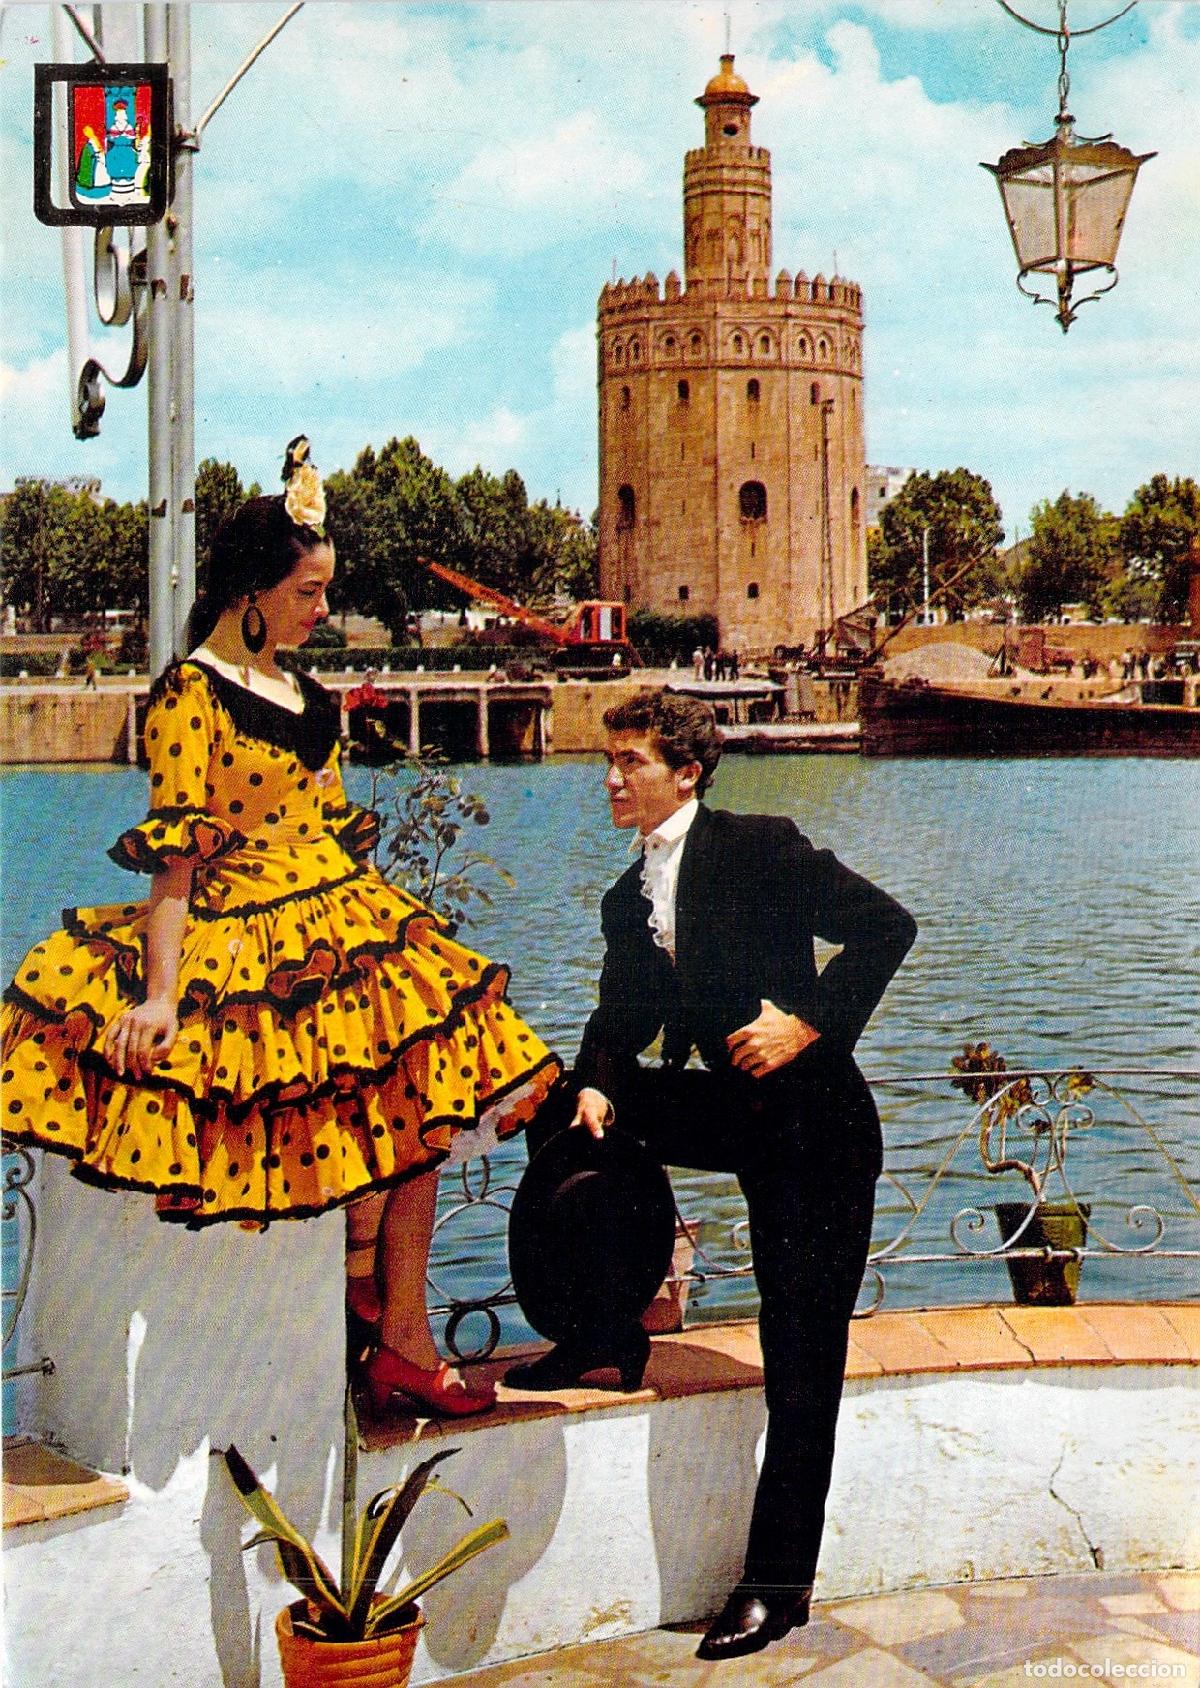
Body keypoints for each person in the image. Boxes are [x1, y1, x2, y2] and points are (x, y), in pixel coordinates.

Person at [0, 439, 561, 1419]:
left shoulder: (310, 699)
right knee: (310, 1113)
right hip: (240, 926)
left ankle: (398, 1330)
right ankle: (362, 1294)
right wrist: (163, 993)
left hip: (336, 920)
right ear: (255, 592)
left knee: (423, 1079)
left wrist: (383, 954)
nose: (322, 611)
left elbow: (336, 837)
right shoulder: (189, 692)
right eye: (308, 591)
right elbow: (177, 855)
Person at [509, 689, 915, 1660]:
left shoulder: (759, 845)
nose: (610, 779)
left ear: (687, 771)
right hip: (734, 1108)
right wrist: (602, 1085)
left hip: (817, 1129)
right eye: (607, 762)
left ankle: (778, 1584)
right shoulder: (627, 894)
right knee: (565, 1105)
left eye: (631, 763)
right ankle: (599, 1325)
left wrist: (807, 1020)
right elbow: (621, 1018)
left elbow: (886, 926)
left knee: (799, 1350)